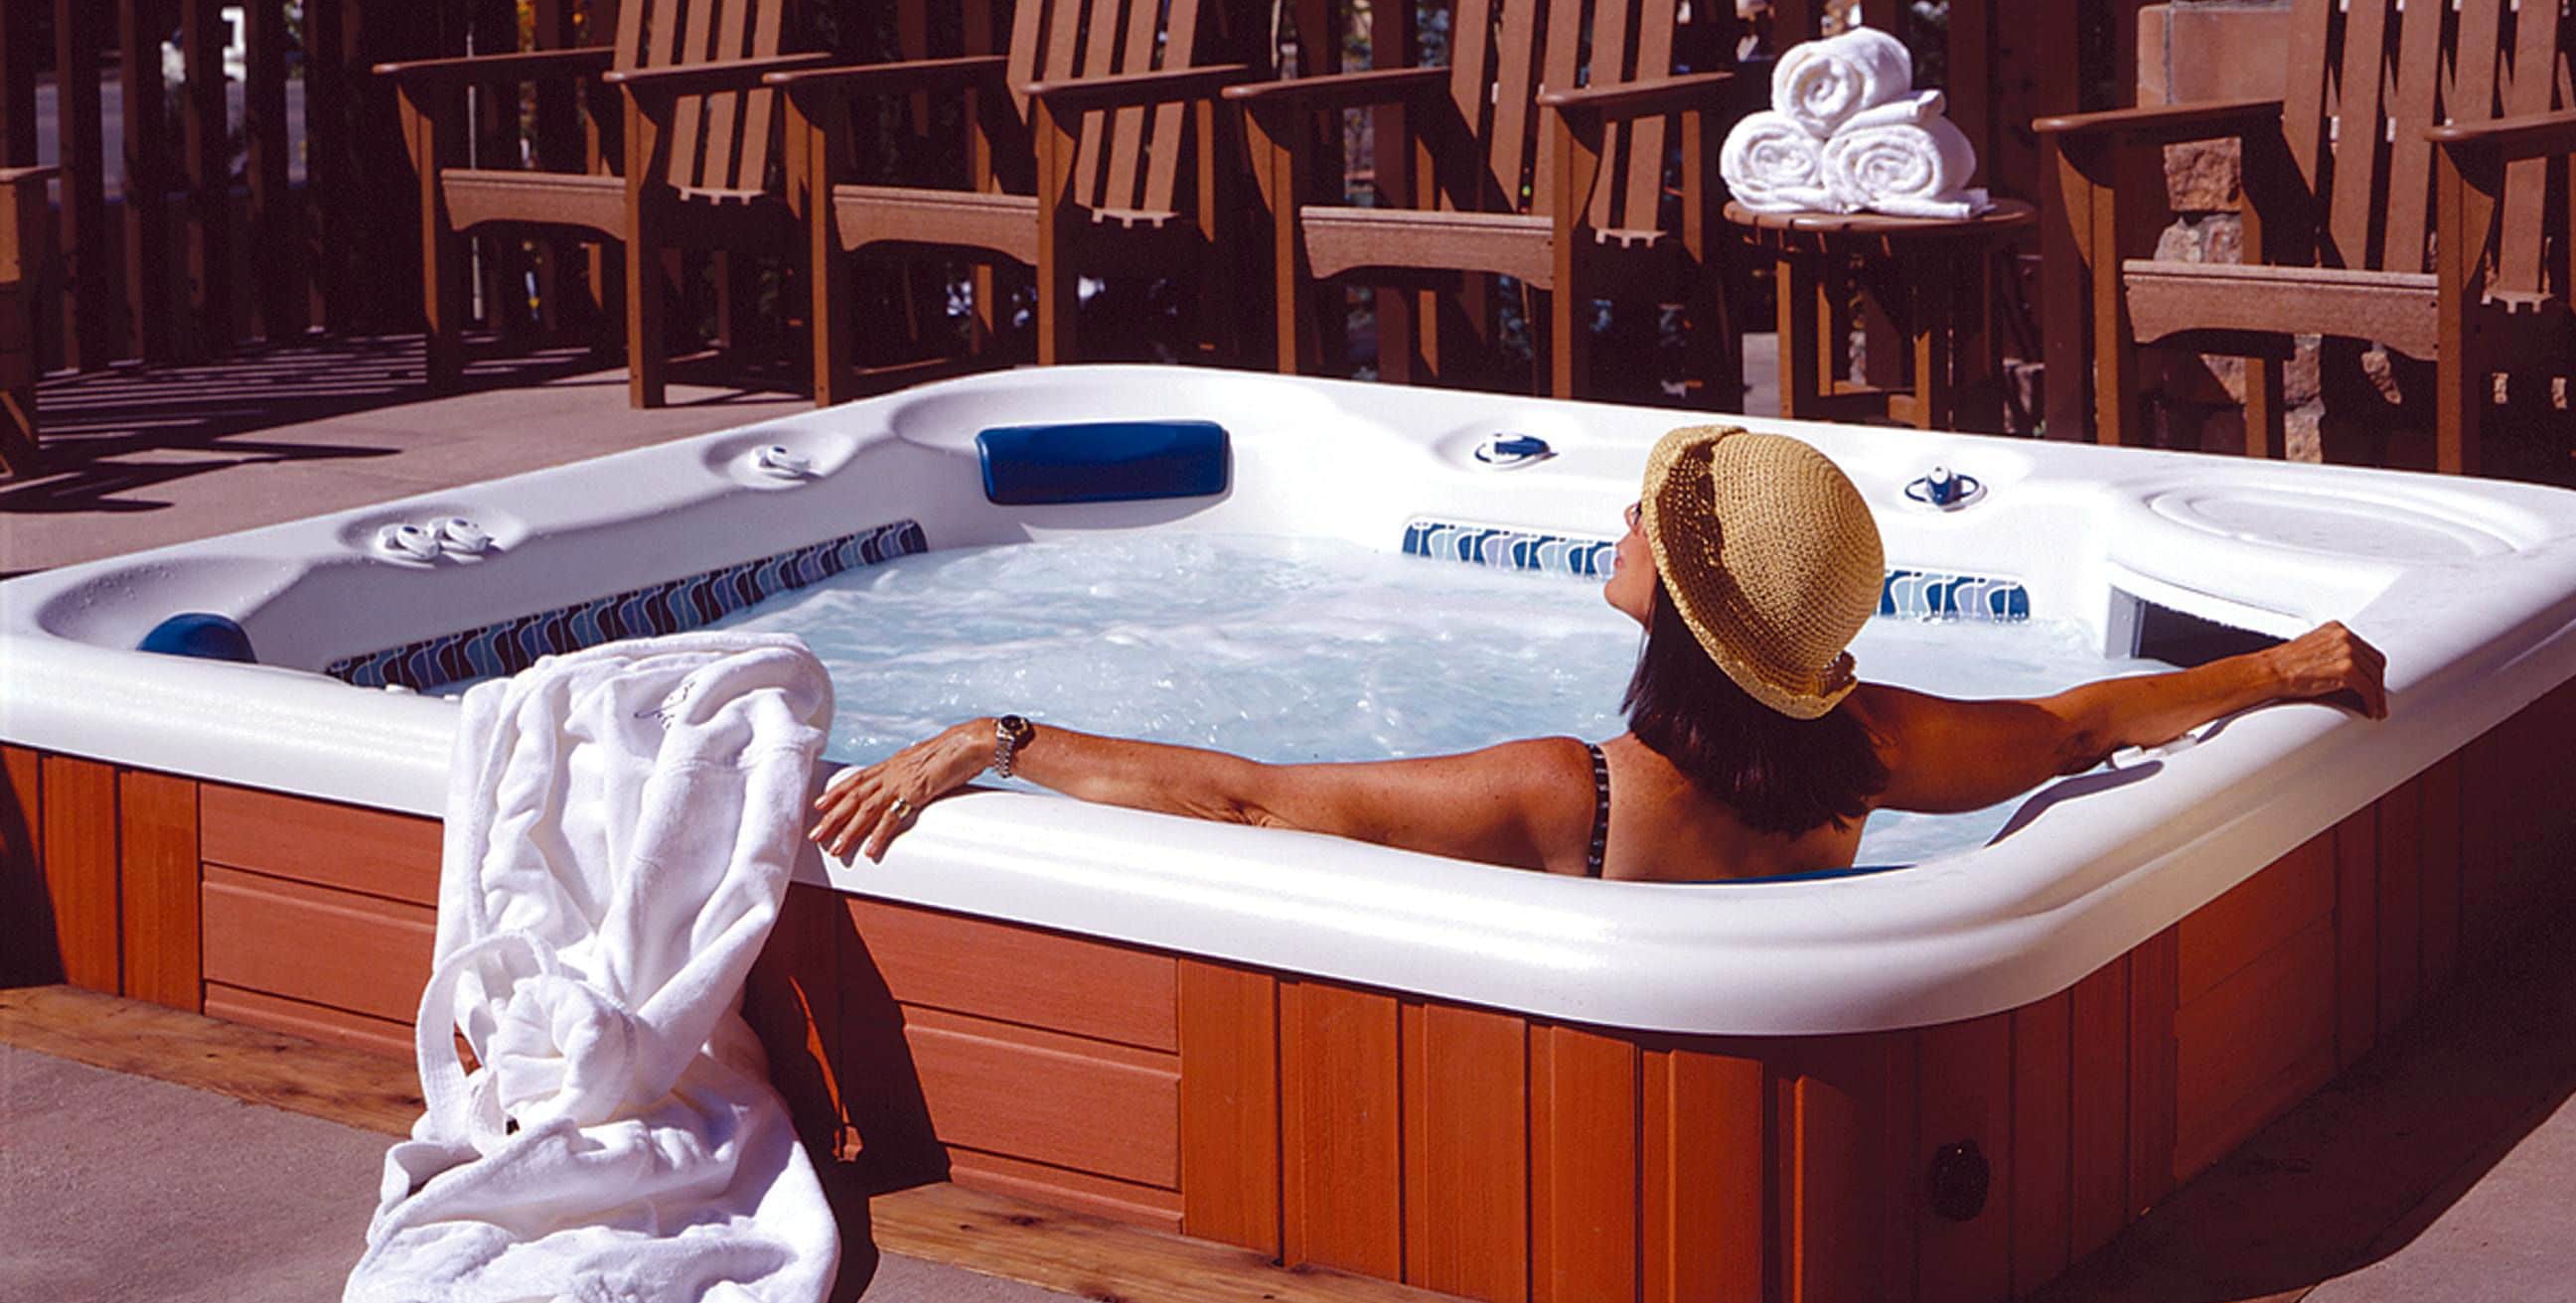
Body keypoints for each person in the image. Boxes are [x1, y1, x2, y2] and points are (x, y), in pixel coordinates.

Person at [809, 425, 2388, 879]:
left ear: (1684, 613)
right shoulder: (1867, 754)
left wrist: (1001, 740)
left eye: (1646, 522)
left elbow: (1249, 806)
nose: (1619, 530)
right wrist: (2267, 673)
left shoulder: (1561, 796)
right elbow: (2066, 724)